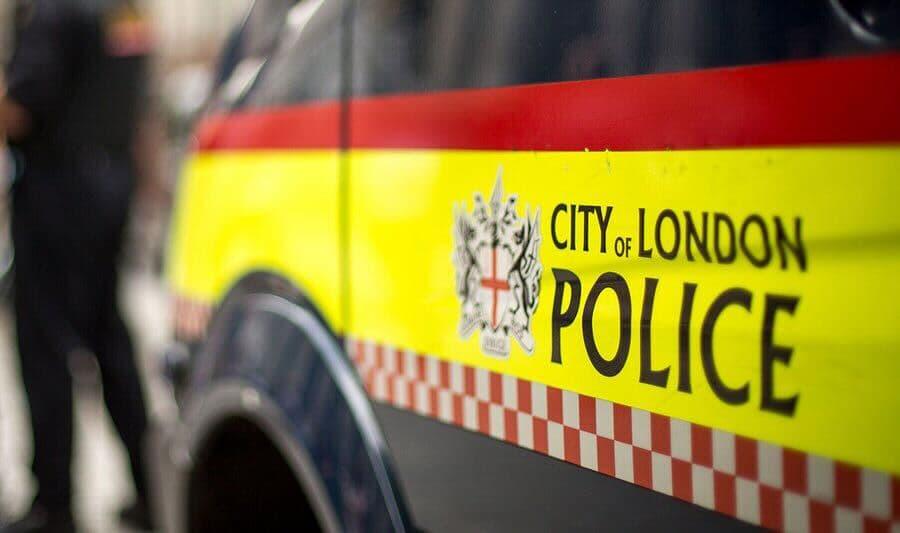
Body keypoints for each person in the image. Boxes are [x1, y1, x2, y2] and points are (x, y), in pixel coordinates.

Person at [0, 0, 156, 530]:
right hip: (110, 190)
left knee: (45, 348)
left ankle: (54, 505)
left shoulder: (55, 13)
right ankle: (151, 489)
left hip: (58, 197)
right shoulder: (125, 11)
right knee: (110, 342)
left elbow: (20, 111)